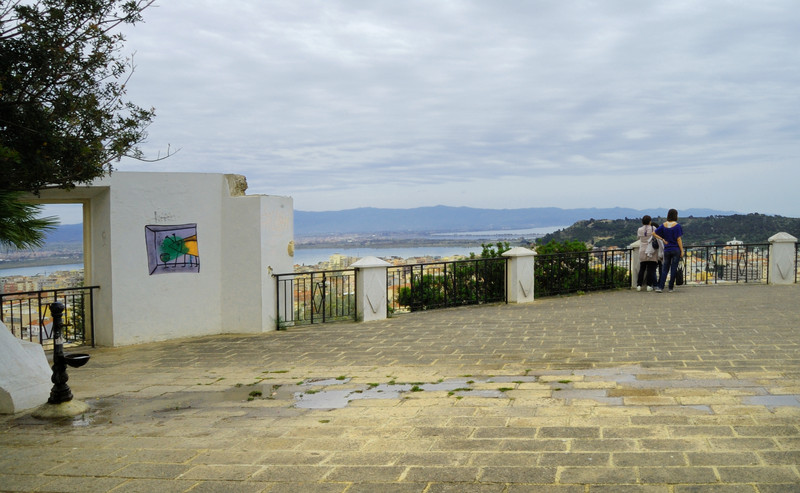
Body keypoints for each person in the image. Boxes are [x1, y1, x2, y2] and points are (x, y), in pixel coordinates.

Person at [653, 209, 684, 293]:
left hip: (667, 249)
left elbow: (654, 233)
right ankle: (671, 287)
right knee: (673, 268)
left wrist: (662, 239)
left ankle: (661, 287)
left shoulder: (663, 225)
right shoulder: (677, 226)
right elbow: (679, 239)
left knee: (665, 269)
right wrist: (682, 250)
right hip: (675, 249)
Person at [636, 215, 659, 291]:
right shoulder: (653, 228)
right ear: (650, 221)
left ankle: (639, 285)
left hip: (642, 250)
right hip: (651, 250)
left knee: (642, 269)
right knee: (650, 269)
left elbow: (638, 238)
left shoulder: (640, 229)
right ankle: (649, 285)